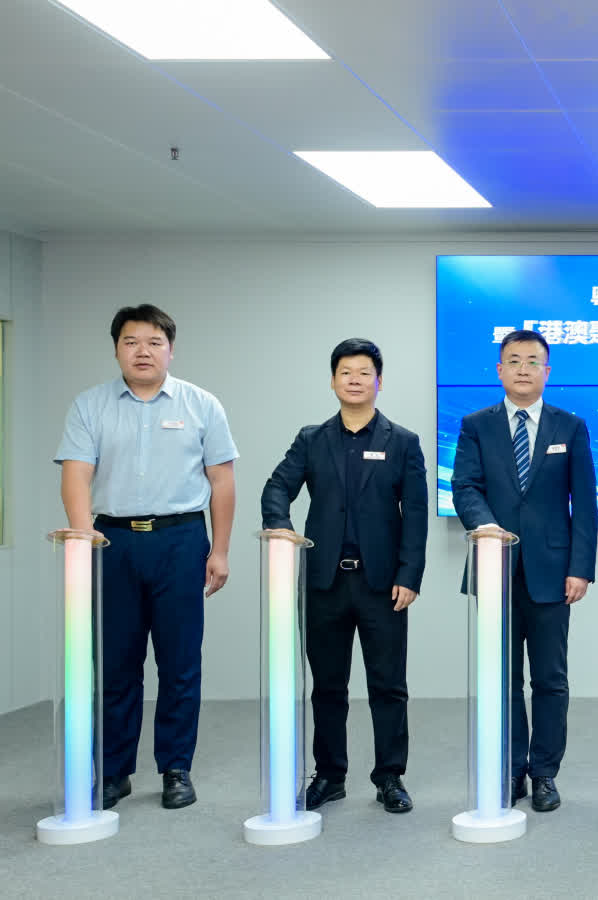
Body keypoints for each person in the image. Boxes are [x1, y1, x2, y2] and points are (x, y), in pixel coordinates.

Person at [54, 304, 237, 811]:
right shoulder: (89, 406)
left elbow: (222, 480)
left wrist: (220, 550)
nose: (143, 351)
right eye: (131, 341)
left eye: (154, 342)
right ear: (117, 349)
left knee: (180, 662)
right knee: (116, 663)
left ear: (170, 350)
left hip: (180, 540)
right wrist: (84, 540)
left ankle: (176, 768)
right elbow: (76, 475)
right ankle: (115, 771)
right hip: (111, 542)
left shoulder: (202, 404)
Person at [260, 338, 428, 814]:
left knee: (388, 686)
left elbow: (416, 515)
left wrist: (409, 575)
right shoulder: (312, 439)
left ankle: (390, 776)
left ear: (379, 382)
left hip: (383, 585)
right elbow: (277, 487)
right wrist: (281, 528)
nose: (355, 380)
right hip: (324, 583)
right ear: (333, 381)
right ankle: (330, 775)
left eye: (364, 372)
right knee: (328, 686)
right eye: (346, 372)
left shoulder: (403, 441)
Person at [452, 329, 598, 813]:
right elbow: (465, 487)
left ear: (546, 371)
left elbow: (586, 505)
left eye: (532, 361)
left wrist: (580, 568)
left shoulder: (569, 427)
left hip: (554, 572)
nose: (522, 369)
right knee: (502, 678)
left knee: (550, 679)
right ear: (499, 370)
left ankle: (544, 773)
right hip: (495, 567)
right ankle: (512, 768)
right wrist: (485, 527)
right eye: (513, 360)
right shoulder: (476, 425)